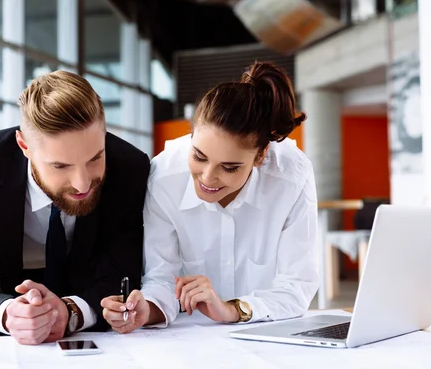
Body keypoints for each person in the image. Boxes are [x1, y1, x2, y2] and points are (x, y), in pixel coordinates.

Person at [101, 61, 319, 333]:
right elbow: (161, 279)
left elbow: (297, 286)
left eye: (229, 168)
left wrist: (231, 310)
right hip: (192, 344)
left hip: (271, 334)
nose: (206, 178)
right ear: (191, 136)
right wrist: (146, 310)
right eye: (199, 157)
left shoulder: (291, 177)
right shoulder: (164, 177)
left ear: (260, 156)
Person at [0, 71, 150, 345]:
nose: (83, 183)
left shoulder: (130, 168)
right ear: (24, 146)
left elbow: (123, 275)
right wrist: (7, 314)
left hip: (97, 337)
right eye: (60, 166)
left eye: (95, 157)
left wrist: (73, 311)